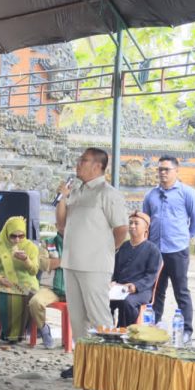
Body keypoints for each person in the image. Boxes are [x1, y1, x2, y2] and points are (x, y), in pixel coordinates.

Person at [57, 147, 128, 378]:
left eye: (84, 160)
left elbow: (121, 229)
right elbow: (61, 224)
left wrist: (106, 250)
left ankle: (113, 368)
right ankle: (84, 363)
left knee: (100, 317)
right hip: (71, 262)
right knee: (78, 319)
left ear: (98, 166)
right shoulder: (77, 191)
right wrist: (63, 198)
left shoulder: (108, 193)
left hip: (95, 265)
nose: (78, 163)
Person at [143, 155, 195, 342]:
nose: (162, 173)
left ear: (176, 171)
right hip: (155, 251)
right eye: (160, 169)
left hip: (177, 250)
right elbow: (145, 221)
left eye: (166, 169)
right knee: (156, 291)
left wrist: (185, 237)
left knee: (181, 291)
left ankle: (186, 330)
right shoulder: (151, 195)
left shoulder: (187, 193)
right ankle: (153, 327)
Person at [0, 216, 39, 342]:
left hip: (24, 282)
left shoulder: (30, 247)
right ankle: (6, 330)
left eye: (21, 236)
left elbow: (34, 271)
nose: (17, 240)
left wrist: (26, 260)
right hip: (0, 282)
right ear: (6, 233)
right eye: (13, 236)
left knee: (31, 296)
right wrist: (0, 278)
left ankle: (17, 332)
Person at [110, 211, 162, 327]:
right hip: (120, 288)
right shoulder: (124, 246)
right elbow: (115, 269)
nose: (132, 226)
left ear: (146, 229)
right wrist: (112, 281)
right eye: (130, 223)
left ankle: (125, 331)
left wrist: (135, 286)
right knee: (101, 300)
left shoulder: (153, 250)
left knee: (127, 302)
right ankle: (107, 331)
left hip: (141, 291)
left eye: (136, 223)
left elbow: (151, 277)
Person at [28, 222, 66, 349]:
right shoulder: (47, 243)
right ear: (57, 225)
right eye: (63, 222)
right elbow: (43, 264)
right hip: (51, 289)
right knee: (35, 302)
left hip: (74, 288)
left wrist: (54, 262)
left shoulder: (80, 243)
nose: (65, 225)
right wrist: (66, 260)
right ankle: (44, 330)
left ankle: (76, 338)